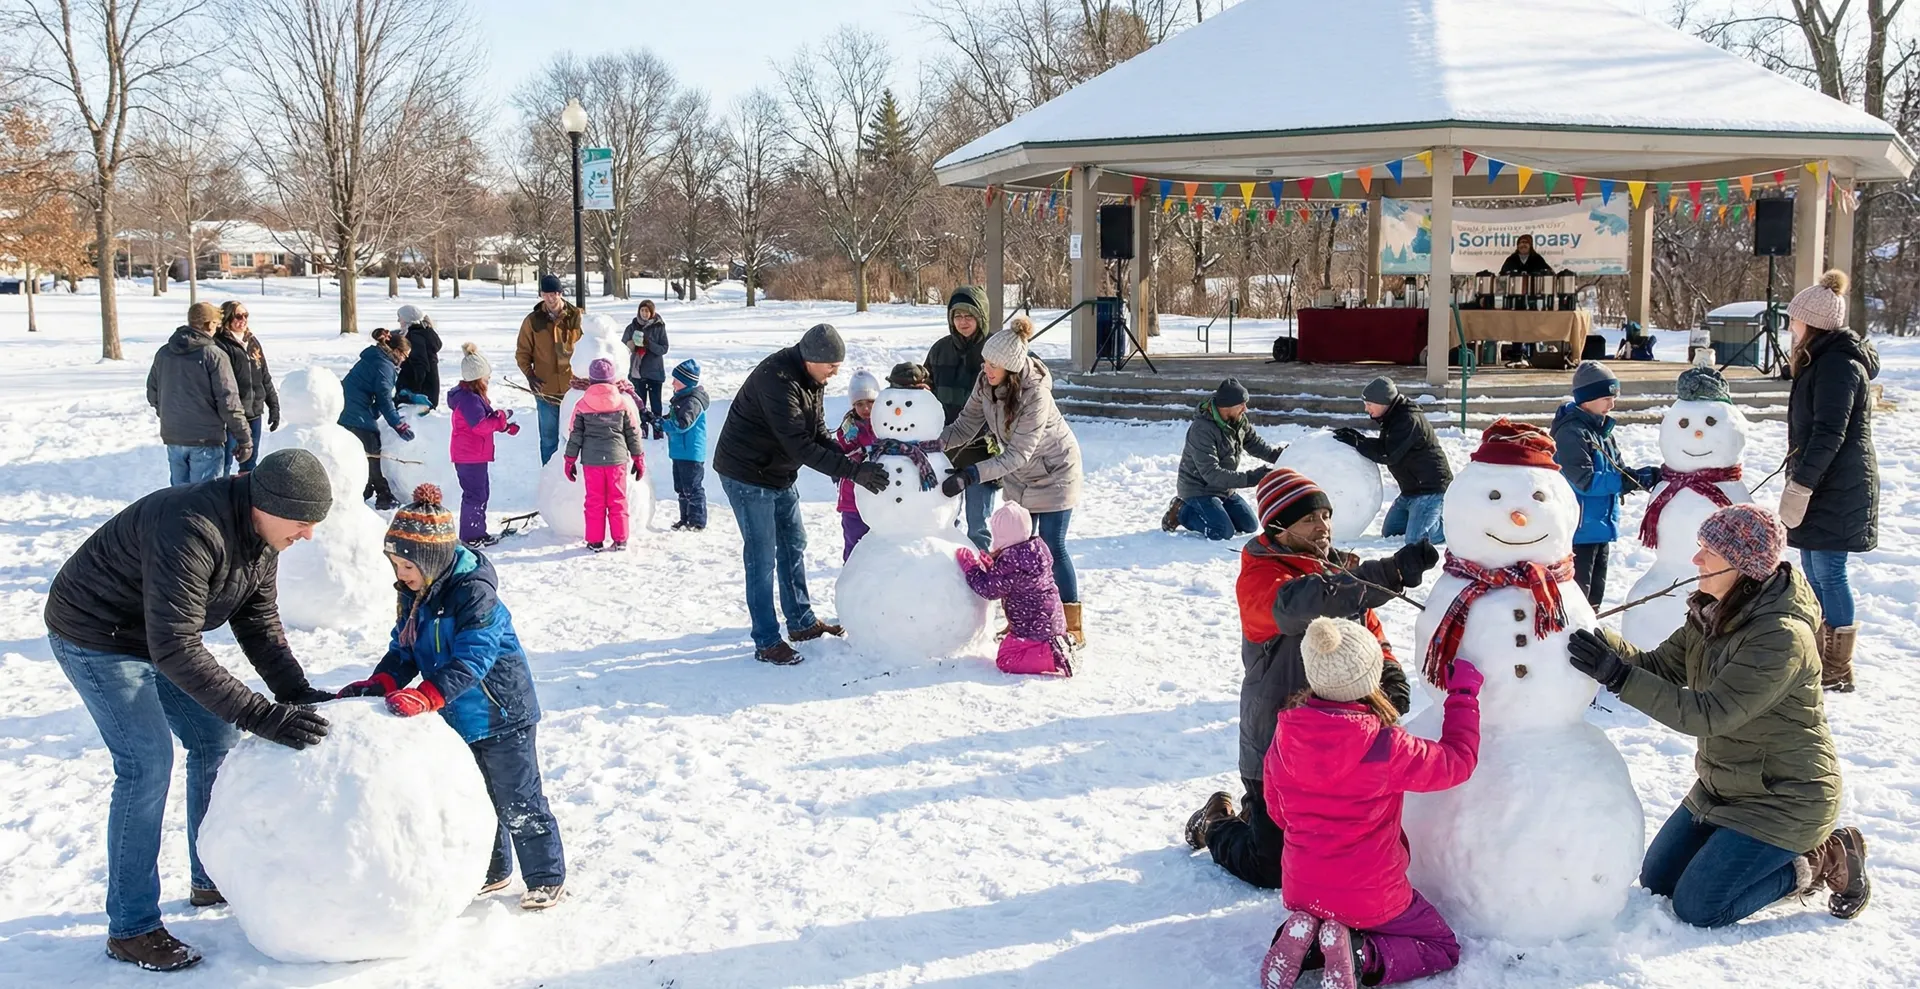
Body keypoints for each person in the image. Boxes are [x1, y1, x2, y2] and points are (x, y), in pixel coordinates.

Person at [42, 449, 339, 971]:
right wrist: (265, 717)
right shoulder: (192, 527)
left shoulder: (263, 537)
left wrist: (296, 693)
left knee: (213, 740)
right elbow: (177, 648)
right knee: (145, 765)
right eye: (302, 523)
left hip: (155, 636)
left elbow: (258, 623)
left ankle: (211, 875)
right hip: (96, 633)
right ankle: (131, 928)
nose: (308, 535)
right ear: (266, 504)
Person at [1567, 504, 1868, 929]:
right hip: (1723, 784)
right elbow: (1659, 667)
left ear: (1743, 566)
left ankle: (1822, 858)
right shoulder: (1714, 610)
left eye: (1709, 550)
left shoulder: (1781, 637)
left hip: (1785, 797)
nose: (1696, 560)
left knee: (1700, 907)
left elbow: (1708, 715)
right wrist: (1584, 631)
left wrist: (1617, 677)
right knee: (1659, 881)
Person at [1184, 468, 1434, 890]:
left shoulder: (1339, 572)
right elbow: (1307, 603)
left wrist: (1388, 672)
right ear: (1279, 527)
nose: (1324, 528)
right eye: (1309, 520)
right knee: (1271, 868)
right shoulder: (1261, 579)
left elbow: (1366, 628)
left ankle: (1258, 818)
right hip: (1275, 742)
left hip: (1339, 739)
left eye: (1327, 516)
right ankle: (1217, 824)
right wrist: (1387, 574)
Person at [337, 485, 566, 911]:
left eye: (407, 565)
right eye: (395, 563)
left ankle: (545, 876)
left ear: (431, 560)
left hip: (501, 712)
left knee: (517, 797)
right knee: (476, 796)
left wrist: (427, 695)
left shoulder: (475, 593)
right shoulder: (415, 592)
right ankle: (493, 870)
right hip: (456, 713)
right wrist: (383, 681)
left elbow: (474, 658)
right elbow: (404, 648)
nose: (400, 573)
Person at [1257, 617, 1480, 989]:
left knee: (1324, 904)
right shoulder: (1385, 746)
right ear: (1370, 677)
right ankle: (1361, 953)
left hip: (1302, 885)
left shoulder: (1286, 736)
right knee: (1441, 947)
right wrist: (1463, 697)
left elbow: (1277, 809)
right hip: (1372, 893)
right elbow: (1457, 763)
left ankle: (1310, 938)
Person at [713, 323, 889, 665]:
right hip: (747, 474)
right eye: (831, 365)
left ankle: (801, 622)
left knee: (794, 543)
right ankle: (766, 640)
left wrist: (851, 458)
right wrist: (853, 472)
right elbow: (800, 445)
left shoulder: (812, 379)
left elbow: (818, 432)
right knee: (762, 557)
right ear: (811, 358)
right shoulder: (777, 382)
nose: (835, 372)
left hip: (778, 472)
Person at [938, 316, 1088, 646]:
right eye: (985, 362)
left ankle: (1070, 625)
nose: (986, 368)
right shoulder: (985, 383)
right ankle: (1023, 618)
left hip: (1055, 472)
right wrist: (932, 443)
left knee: (1050, 546)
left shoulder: (1036, 396)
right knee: (1016, 551)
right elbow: (965, 426)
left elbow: (1017, 454)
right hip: (1021, 477)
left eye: (993, 364)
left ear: (1010, 367)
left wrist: (970, 475)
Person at [1778, 269, 1879, 692]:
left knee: (1830, 571)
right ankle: (1819, 655)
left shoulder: (1839, 365)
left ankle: (1838, 668)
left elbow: (1829, 432)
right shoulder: (1819, 359)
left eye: (1794, 320)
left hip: (1838, 484)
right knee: (1813, 569)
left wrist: (1803, 484)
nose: (1790, 328)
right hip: (1822, 479)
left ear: (1813, 323)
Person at [1551, 361, 1661, 607]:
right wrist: (1627, 482)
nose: (1612, 404)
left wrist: (1639, 476)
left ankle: (1593, 628)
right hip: (1579, 529)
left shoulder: (1602, 431)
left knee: (1595, 594)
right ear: (1586, 399)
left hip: (1600, 524)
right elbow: (1584, 481)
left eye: (1614, 397)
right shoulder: (1571, 433)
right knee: (1577, 595)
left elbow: (1617, 469)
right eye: (1606, 398)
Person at [957, 501, 1072, 676]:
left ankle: (1052, 657)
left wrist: (971, 568)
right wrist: (993, 568)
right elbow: (1010, 581)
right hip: (1051, 623)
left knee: (1006, 659)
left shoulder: (1011, 562)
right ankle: (1054, 645)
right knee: (1008, 646)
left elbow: (989, 590)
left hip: (1033, 630)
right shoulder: (1035, 550)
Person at [1333, 377, 1452, 546]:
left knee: (1416, 540)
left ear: (1383, 402)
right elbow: (1386, 446)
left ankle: (1454, 527)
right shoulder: (1393, 417)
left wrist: (1358, 442)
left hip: (1430, 490)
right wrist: (1358, 438)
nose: (1366, 408)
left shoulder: (1408, 420)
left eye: (1369, 404)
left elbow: (1388, 454)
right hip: (1411, 490)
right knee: (1391, 533)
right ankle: (1422, 518)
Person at [147, 301, 250, 485]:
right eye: (216, 325)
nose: (216, 330)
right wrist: (244, 439)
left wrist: (170, 416)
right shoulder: (213, 355)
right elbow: (229, 401)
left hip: (174, 437)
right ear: (209, 324)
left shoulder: (164, 353)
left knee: (179, 497)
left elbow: (153, 393)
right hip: (205, 439)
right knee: (203, 500)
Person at [1164, 378, 1281, 540]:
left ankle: (1218, 512)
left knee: (1249, 525)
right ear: (1227, 407)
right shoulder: (1201, 430)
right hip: (1199, 489)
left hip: (1224, 488)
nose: (1245, 409)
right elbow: (1211, 473)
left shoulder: (1238, 421)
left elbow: (1255, 444)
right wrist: (1251, 478)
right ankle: (1182, 512)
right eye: (1241, 405)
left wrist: (1280, 456)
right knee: (1221, 532)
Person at [927, 286, 998, 551]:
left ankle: (984, 581)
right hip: (947, 451)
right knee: (946, 522)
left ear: (981, 316)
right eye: (957, 316)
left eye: (969, 315)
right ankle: (952, 580)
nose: (963, 322)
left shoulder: (993, 350)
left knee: (979, 526)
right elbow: (926, 390)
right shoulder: (939, 350)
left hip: (983, 452)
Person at [563, 358, 645, 552]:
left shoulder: (582, 404)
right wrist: (638, 458)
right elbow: (632, 432)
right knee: (618, 499)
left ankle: (595, 541)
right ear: (611, 379)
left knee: (594, 501)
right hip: (617, 460)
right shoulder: (622, 403)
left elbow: (575, 435)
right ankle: (621, 539)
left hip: (592, 462)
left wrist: (569, 460)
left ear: (591, 380)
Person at [447, 343, 519, 546]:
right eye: (486, 377)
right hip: (469, 455)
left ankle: (477, 531)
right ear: (477, 378)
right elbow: (480, 426)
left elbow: (483, 421)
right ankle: (471, 536)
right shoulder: (469, 400)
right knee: (475, 494)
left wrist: (503, 425)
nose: (488, 380)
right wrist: (501, 418)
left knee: (481, 492)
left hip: (473, 454)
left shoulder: (472, 397)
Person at [338, 327, 414, 509]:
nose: (405, 360)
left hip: (348, 407)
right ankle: (382, 495)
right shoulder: (384, 365)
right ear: (396, 351)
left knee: (364, 450)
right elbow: (384, 398)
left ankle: (365, 491)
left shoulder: (378, 358)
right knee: (371, 450)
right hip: (353, 412)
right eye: (405, 355)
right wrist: (399, 425)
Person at [516, 274, 583, 464]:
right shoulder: (532, 321)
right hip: (545, 391)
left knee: (574, 437)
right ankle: (549, 477)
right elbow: (522, 352)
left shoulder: (576, 317)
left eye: (553, 294)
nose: (550, 298)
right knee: (548, 440)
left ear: (560, 293)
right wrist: (530, 375)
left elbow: (587, 348)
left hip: (574, 389)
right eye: (545, 294)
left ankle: (573, 480)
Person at [213, 301, 279, 474]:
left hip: (254, 413)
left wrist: (273, 405)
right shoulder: (220, 345)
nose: (243, 320)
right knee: (224, 464)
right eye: (238, 316)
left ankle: (247, 497)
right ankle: (222, 498)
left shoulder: (252, 342)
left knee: (250, 464)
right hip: (231, 416)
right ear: (227, 319)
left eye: (246, 315)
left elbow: (264, 376)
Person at [835, 369, 881, 560]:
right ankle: (851, 581)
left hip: (879, 499)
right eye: (859, 404)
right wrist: (860, 454)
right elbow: (841, 456)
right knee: (854, 545)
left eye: (870, 402)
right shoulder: (848, 429)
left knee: (879, 547)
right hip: (852, 500)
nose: (866, 409)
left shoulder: (886, 424)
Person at [663, 358, 710, 532]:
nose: (672, 382)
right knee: (681, 488)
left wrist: (664, 425)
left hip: (691, 452)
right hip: (679, 451)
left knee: (693, 488)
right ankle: (685, 518)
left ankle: (697, 521)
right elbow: (673, 419)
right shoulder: (680, 399)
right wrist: (659, 420)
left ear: (685, 382)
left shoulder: (692, 402)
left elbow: (682, 424)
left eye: (676, 379)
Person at [622, 299, 669, 440]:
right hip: (637, 372)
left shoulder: (659, 326)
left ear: (652, 312)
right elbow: (622, 346)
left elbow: (664, 348)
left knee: (656, 403)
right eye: (642, 310)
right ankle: (641, 428)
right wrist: (632, 345)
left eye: (647, 311)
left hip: (654, 371)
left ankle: (658, 428)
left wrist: (649, 344)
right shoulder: (632, 327)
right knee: (639, 402)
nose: (644, 313)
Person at [393, 305, 443, 411]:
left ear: (407, 319)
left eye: (400, 317)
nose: (398, 320)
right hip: (428, 388)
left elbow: (421, 364)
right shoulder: (425, 332)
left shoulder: (415, 337)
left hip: (420, 393)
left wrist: (414, 391)